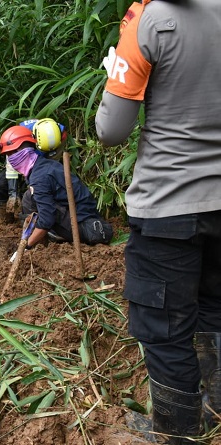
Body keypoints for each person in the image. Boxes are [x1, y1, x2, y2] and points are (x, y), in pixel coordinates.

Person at [95, 0, 221, 442]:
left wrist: (116, 71)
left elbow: (111, 130)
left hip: (168, 204)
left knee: (164, 327)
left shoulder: (149, 20)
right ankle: (218, 410)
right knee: (216, 307)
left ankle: (180, 432)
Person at [0, 125, 112, 248]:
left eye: (10, 155)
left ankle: (41, 240)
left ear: (21, 152)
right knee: (29, 197)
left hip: (83, 226)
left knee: (40, 207)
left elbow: (46, 220)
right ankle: (43, 239)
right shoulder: (43, 165)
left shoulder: (40, 177)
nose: (10, 160)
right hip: (81, 215)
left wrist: (25, 246)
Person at [0, 118, 66, 223]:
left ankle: (39, 219)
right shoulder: (20, 133)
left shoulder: (61, 135)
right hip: (20, 161)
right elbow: (11, 159)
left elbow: (51, 164)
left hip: (42, 163)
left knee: (38, 191)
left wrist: (34, 183)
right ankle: (5, 221)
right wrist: (13, 193)